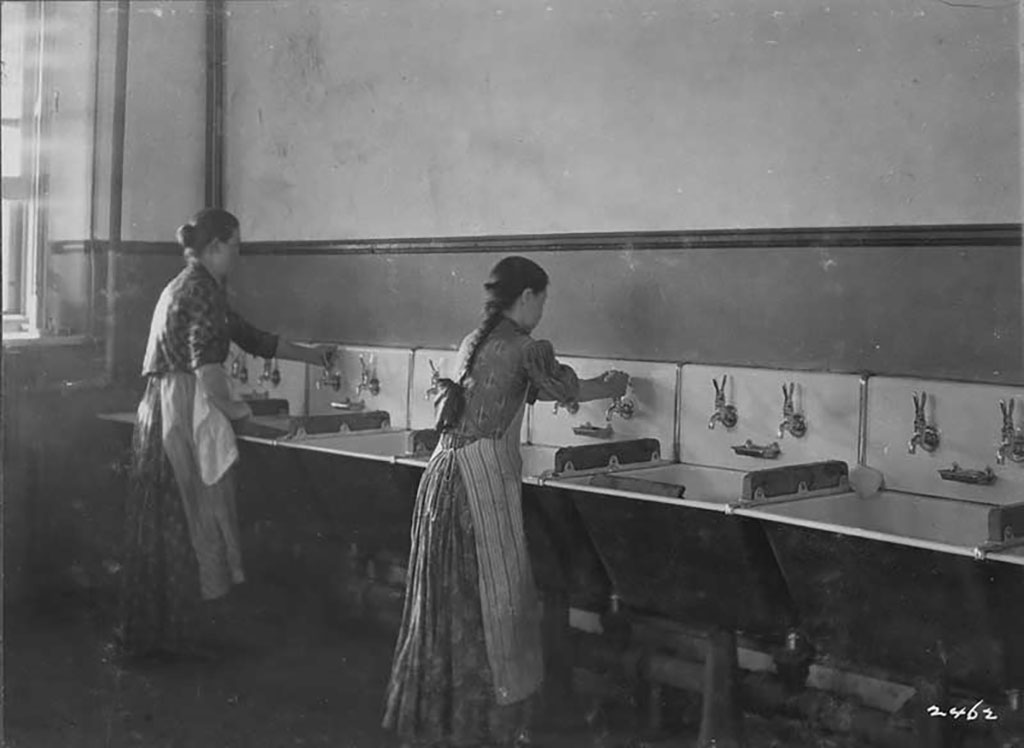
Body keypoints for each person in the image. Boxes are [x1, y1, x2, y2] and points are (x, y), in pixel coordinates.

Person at [383, 256, 629, 747]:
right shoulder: (526, 347)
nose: (543, 309)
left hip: (442, 476)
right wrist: (614, 386)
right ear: (529, 297)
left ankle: (443, 719)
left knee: (446, 601)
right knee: (496, 603)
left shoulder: (474, 343)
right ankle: (487, 727)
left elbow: (517, 393)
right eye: (543, 299)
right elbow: (567, 388)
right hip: (480, 482)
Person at [118, 207, 334, 661]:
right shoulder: (202, 292)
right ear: (215, 247)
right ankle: (186, 638)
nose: (238, 255)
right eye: (235, 246)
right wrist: (237, 411)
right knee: (197, 519)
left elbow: (251, 337)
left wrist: (315, 356)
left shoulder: (188, 285)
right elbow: (208, 368)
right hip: (181, 411)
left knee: (173, 517)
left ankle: (165, 633)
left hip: (160, 409)